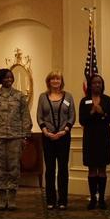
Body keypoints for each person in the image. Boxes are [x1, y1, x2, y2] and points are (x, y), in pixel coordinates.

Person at [0, 68, 32, 211]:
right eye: (5, 77)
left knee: (14, 167)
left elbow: (25, 117)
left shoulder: (19, 96)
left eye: (10, 77)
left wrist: (25, 135)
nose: (9, 79)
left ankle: (12, 196)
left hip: (15, 137)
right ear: (0, 79)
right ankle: (2, 195)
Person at [36, 71, 75, 210]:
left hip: (64, 137)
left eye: (58, 78)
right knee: (50, 169)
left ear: (61, 81)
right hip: (47, 138)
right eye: (53, 78)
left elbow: (71, 116)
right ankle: (51, 200)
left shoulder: (68, 96)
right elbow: (40, 117)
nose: (55, 81)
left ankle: (63, 200)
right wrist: (46, 132)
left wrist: (63, 131)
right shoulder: (42, 97)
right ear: (48, 81)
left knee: (63, 169)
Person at [78, 74, 110, 210]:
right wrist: (92, 111)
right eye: (94, 83)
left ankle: (102, 199)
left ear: (102, 84)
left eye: (99, 82)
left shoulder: (107, 100)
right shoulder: (85, 101)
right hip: (90, 137)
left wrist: (103, 112)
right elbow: (82, 120)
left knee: (102, 168)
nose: (97, 85)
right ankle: (93, 198)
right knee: (92, 169)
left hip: (104, 136)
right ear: (90, 85)